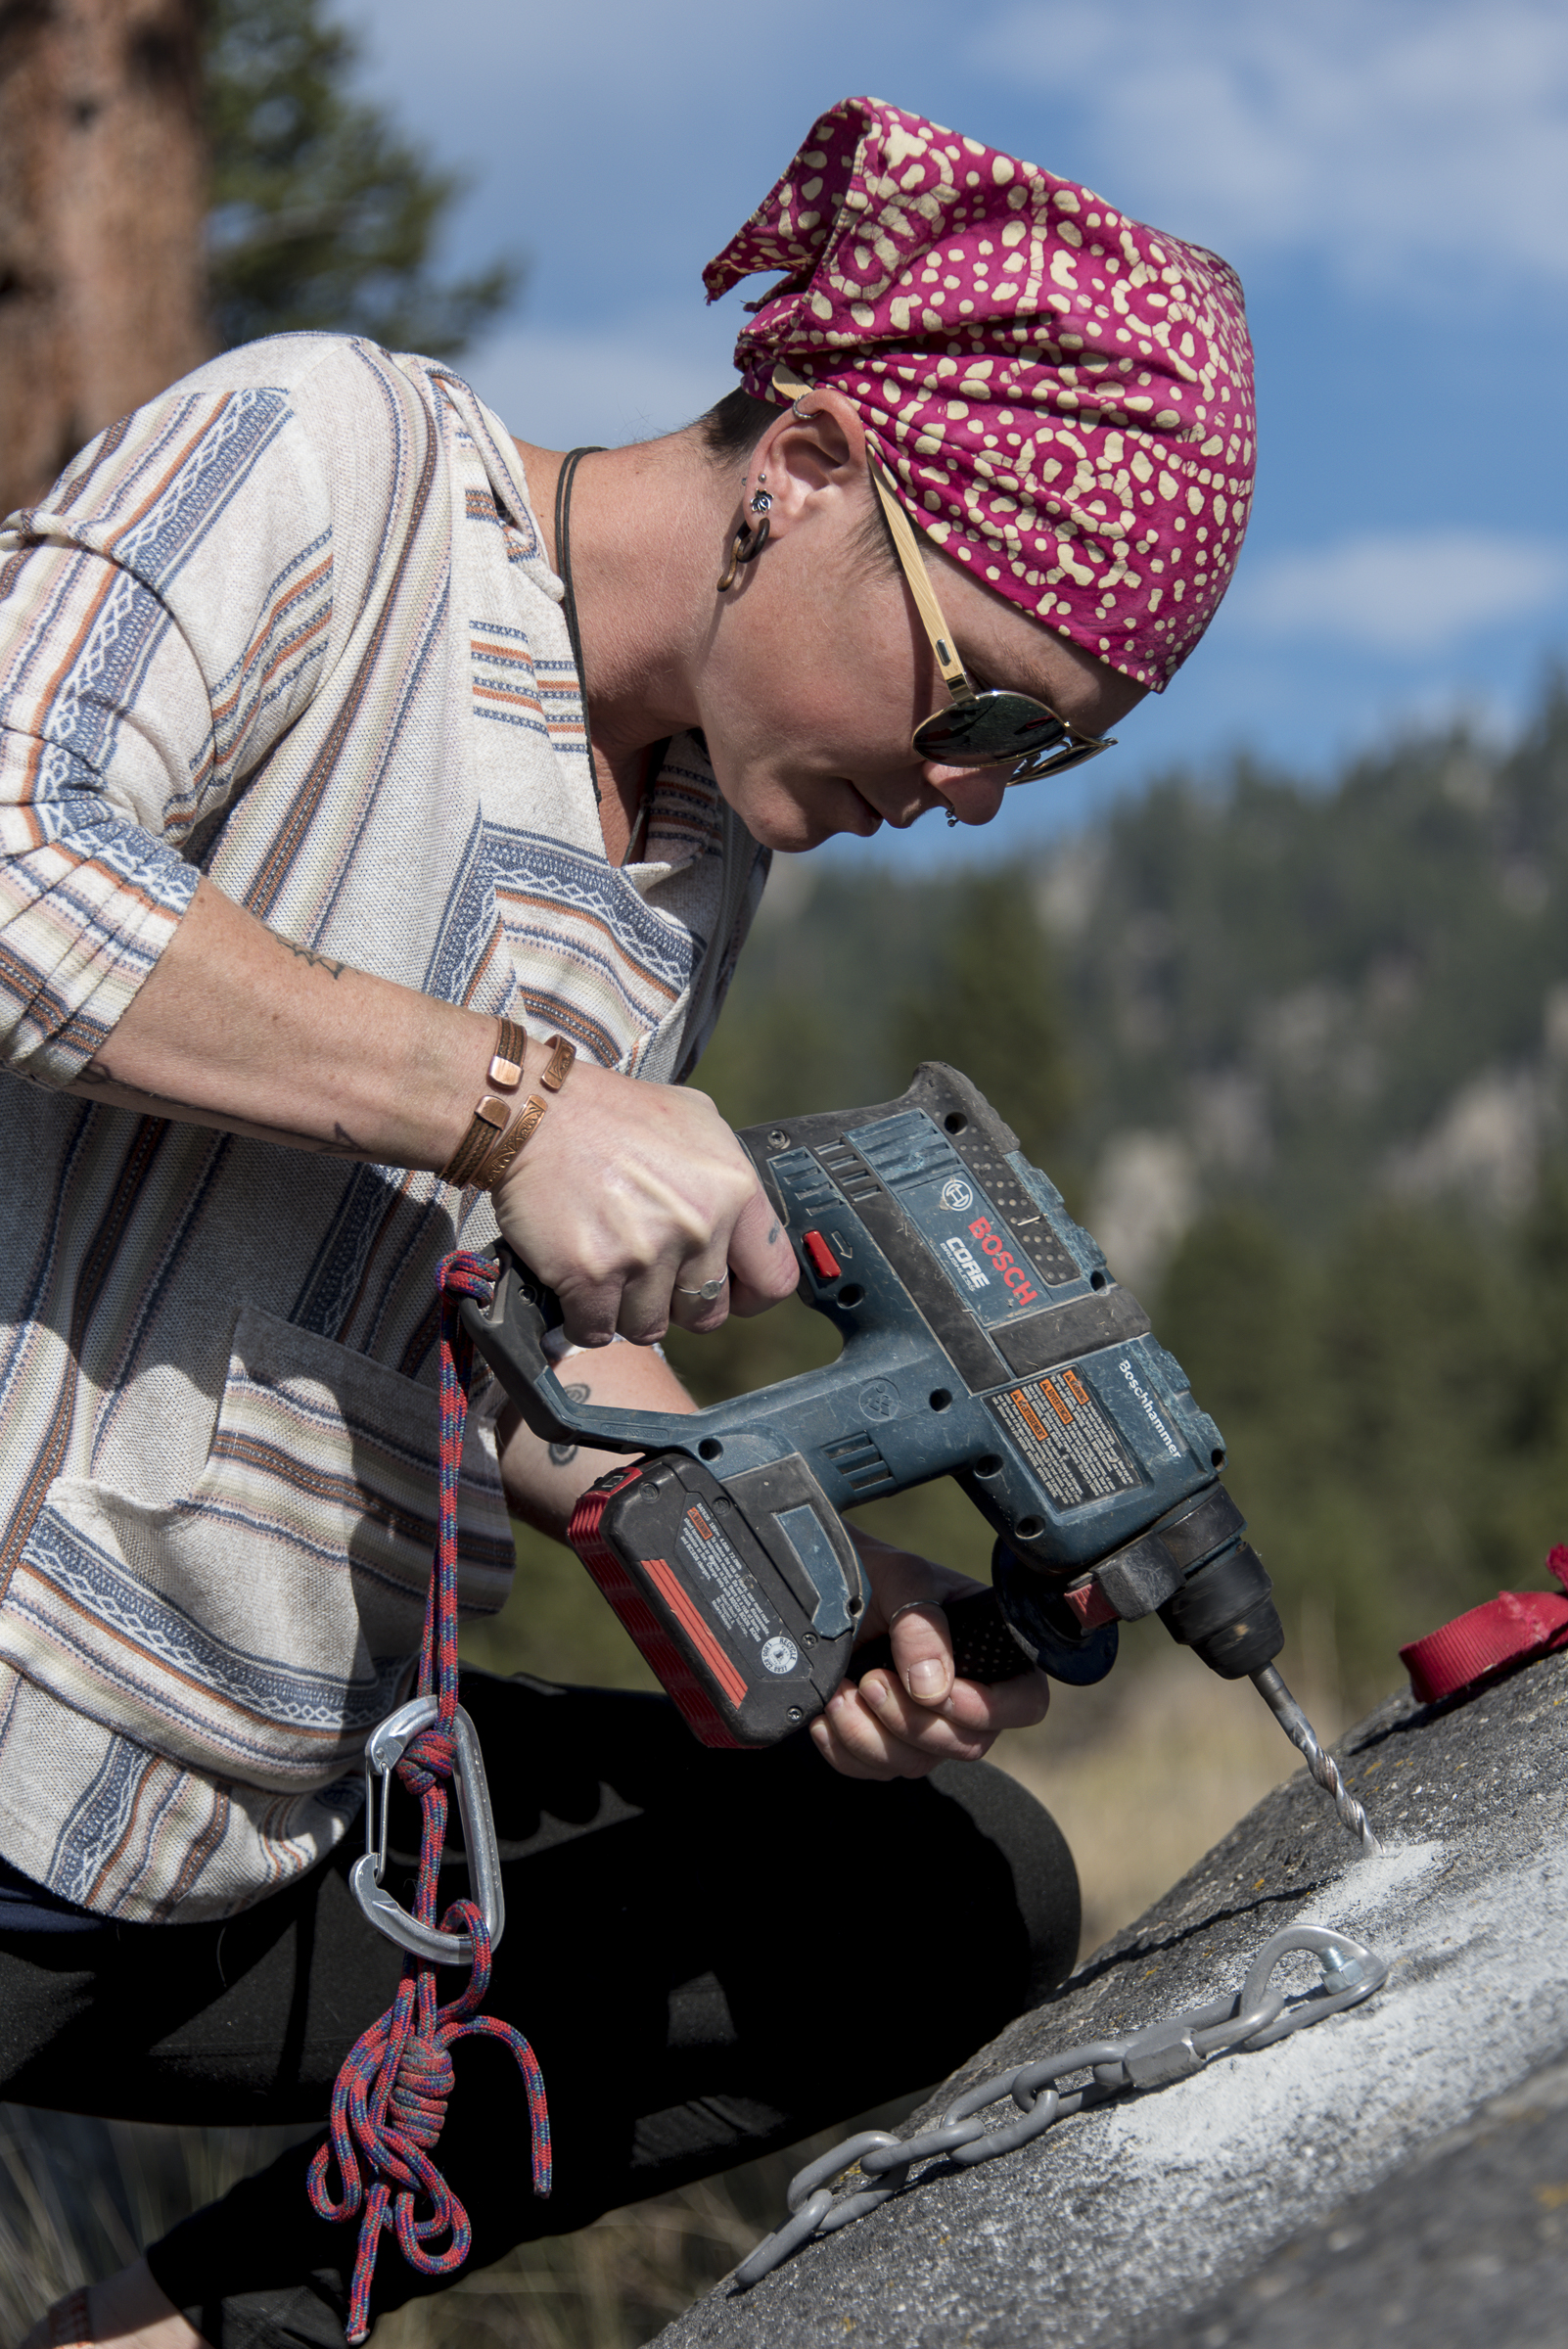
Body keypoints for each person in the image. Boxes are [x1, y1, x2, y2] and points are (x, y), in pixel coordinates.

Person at [2, 96, 1255, 2349]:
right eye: (983, 699)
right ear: (804, 461)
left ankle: (190, 2332)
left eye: (1043, 760)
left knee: (947, 1897)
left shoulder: (694, 863)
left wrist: (790, 1560)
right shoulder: (341, 463)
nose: (969, 791)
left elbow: (499, 1338)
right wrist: (508, 1101)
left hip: (262, 1816)